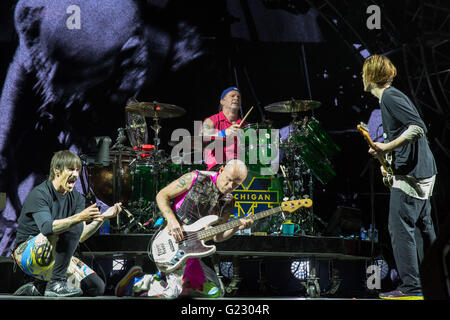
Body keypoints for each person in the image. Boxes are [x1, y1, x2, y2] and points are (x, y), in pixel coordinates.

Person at [114, 159, 253, 298]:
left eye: (236, 184)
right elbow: (162, 195)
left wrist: (237, 227)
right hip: (171, 238)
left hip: (191, 249)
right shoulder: (196, 178)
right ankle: (141, 281)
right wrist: (172, 221)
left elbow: (217, 236)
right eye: (228, 180)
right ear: (221, 170)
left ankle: (146, 280)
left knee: (216, 292)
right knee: (172, 294)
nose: (230, 186)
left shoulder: (229, 202)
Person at [362, 54, 437, 300]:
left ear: (370, 76)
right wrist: (388, 161)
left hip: (413, 176)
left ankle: (412, 288)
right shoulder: (393, 97)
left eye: (364, 72)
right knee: (422, 229)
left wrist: (385, 148)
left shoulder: (390, 97)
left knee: (400, 228)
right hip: (422, 171)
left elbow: (418, 128)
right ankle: (432, 285)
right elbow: (407, 133)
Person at [11, 150, 122, 297]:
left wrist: (101, 218)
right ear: (57, 170)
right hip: (27, 254)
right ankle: (55, 283)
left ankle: (38, 287)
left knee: (95, 287)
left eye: (77, 170)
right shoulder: (40, 193)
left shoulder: (77, 198)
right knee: (72, 224)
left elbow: (80, 236)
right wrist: (78, 218)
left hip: (56, 253)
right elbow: (47, 228)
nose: (75, 175)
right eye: (70, 169)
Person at [200, 87, 249, 171]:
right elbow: (202, 138)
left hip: (242, 167)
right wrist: (223, 133)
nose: (236, 98)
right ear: (222, 101)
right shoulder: (210, 121)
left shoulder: (245, 125)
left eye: (238, 97)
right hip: (218, 168)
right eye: (232, 96)